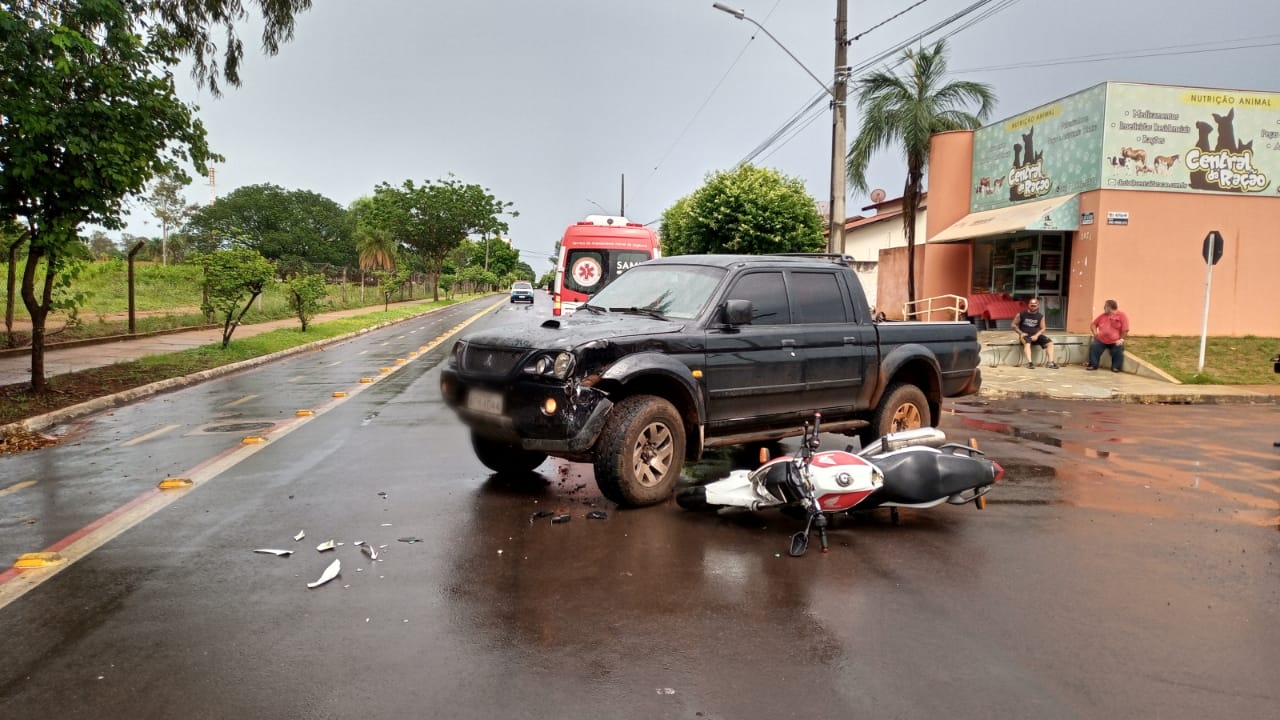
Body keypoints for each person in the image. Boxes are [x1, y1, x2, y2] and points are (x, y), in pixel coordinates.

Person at [1013, 297, 1057, 369]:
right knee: (1027, 343)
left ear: (1038, 306)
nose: (1033, 306)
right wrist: (1021, 333)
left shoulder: (1040, 316)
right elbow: (1013, 325)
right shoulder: (1021, 314)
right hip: (1025, 335)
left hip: (1035, 335)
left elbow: (1043, 328)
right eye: (1031, 304)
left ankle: (1050, 362)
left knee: (1050, 343)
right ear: (1028, 305)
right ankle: (1030, 363)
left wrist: (1036, 335)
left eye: (1035, 305)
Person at [1087, 299, 1130, 372]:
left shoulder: (1121, 316)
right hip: (1101, 340)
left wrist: (1121, 339)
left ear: (1109, 307)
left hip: (1115, 341)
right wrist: (1095, 333)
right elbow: (1093, 324)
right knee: (1094, 346)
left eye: (1105, 306)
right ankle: (1093, 365)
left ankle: (1116, 367)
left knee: (1118, 349)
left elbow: (1125, 329)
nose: (1104, 308)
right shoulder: (1102, 316)